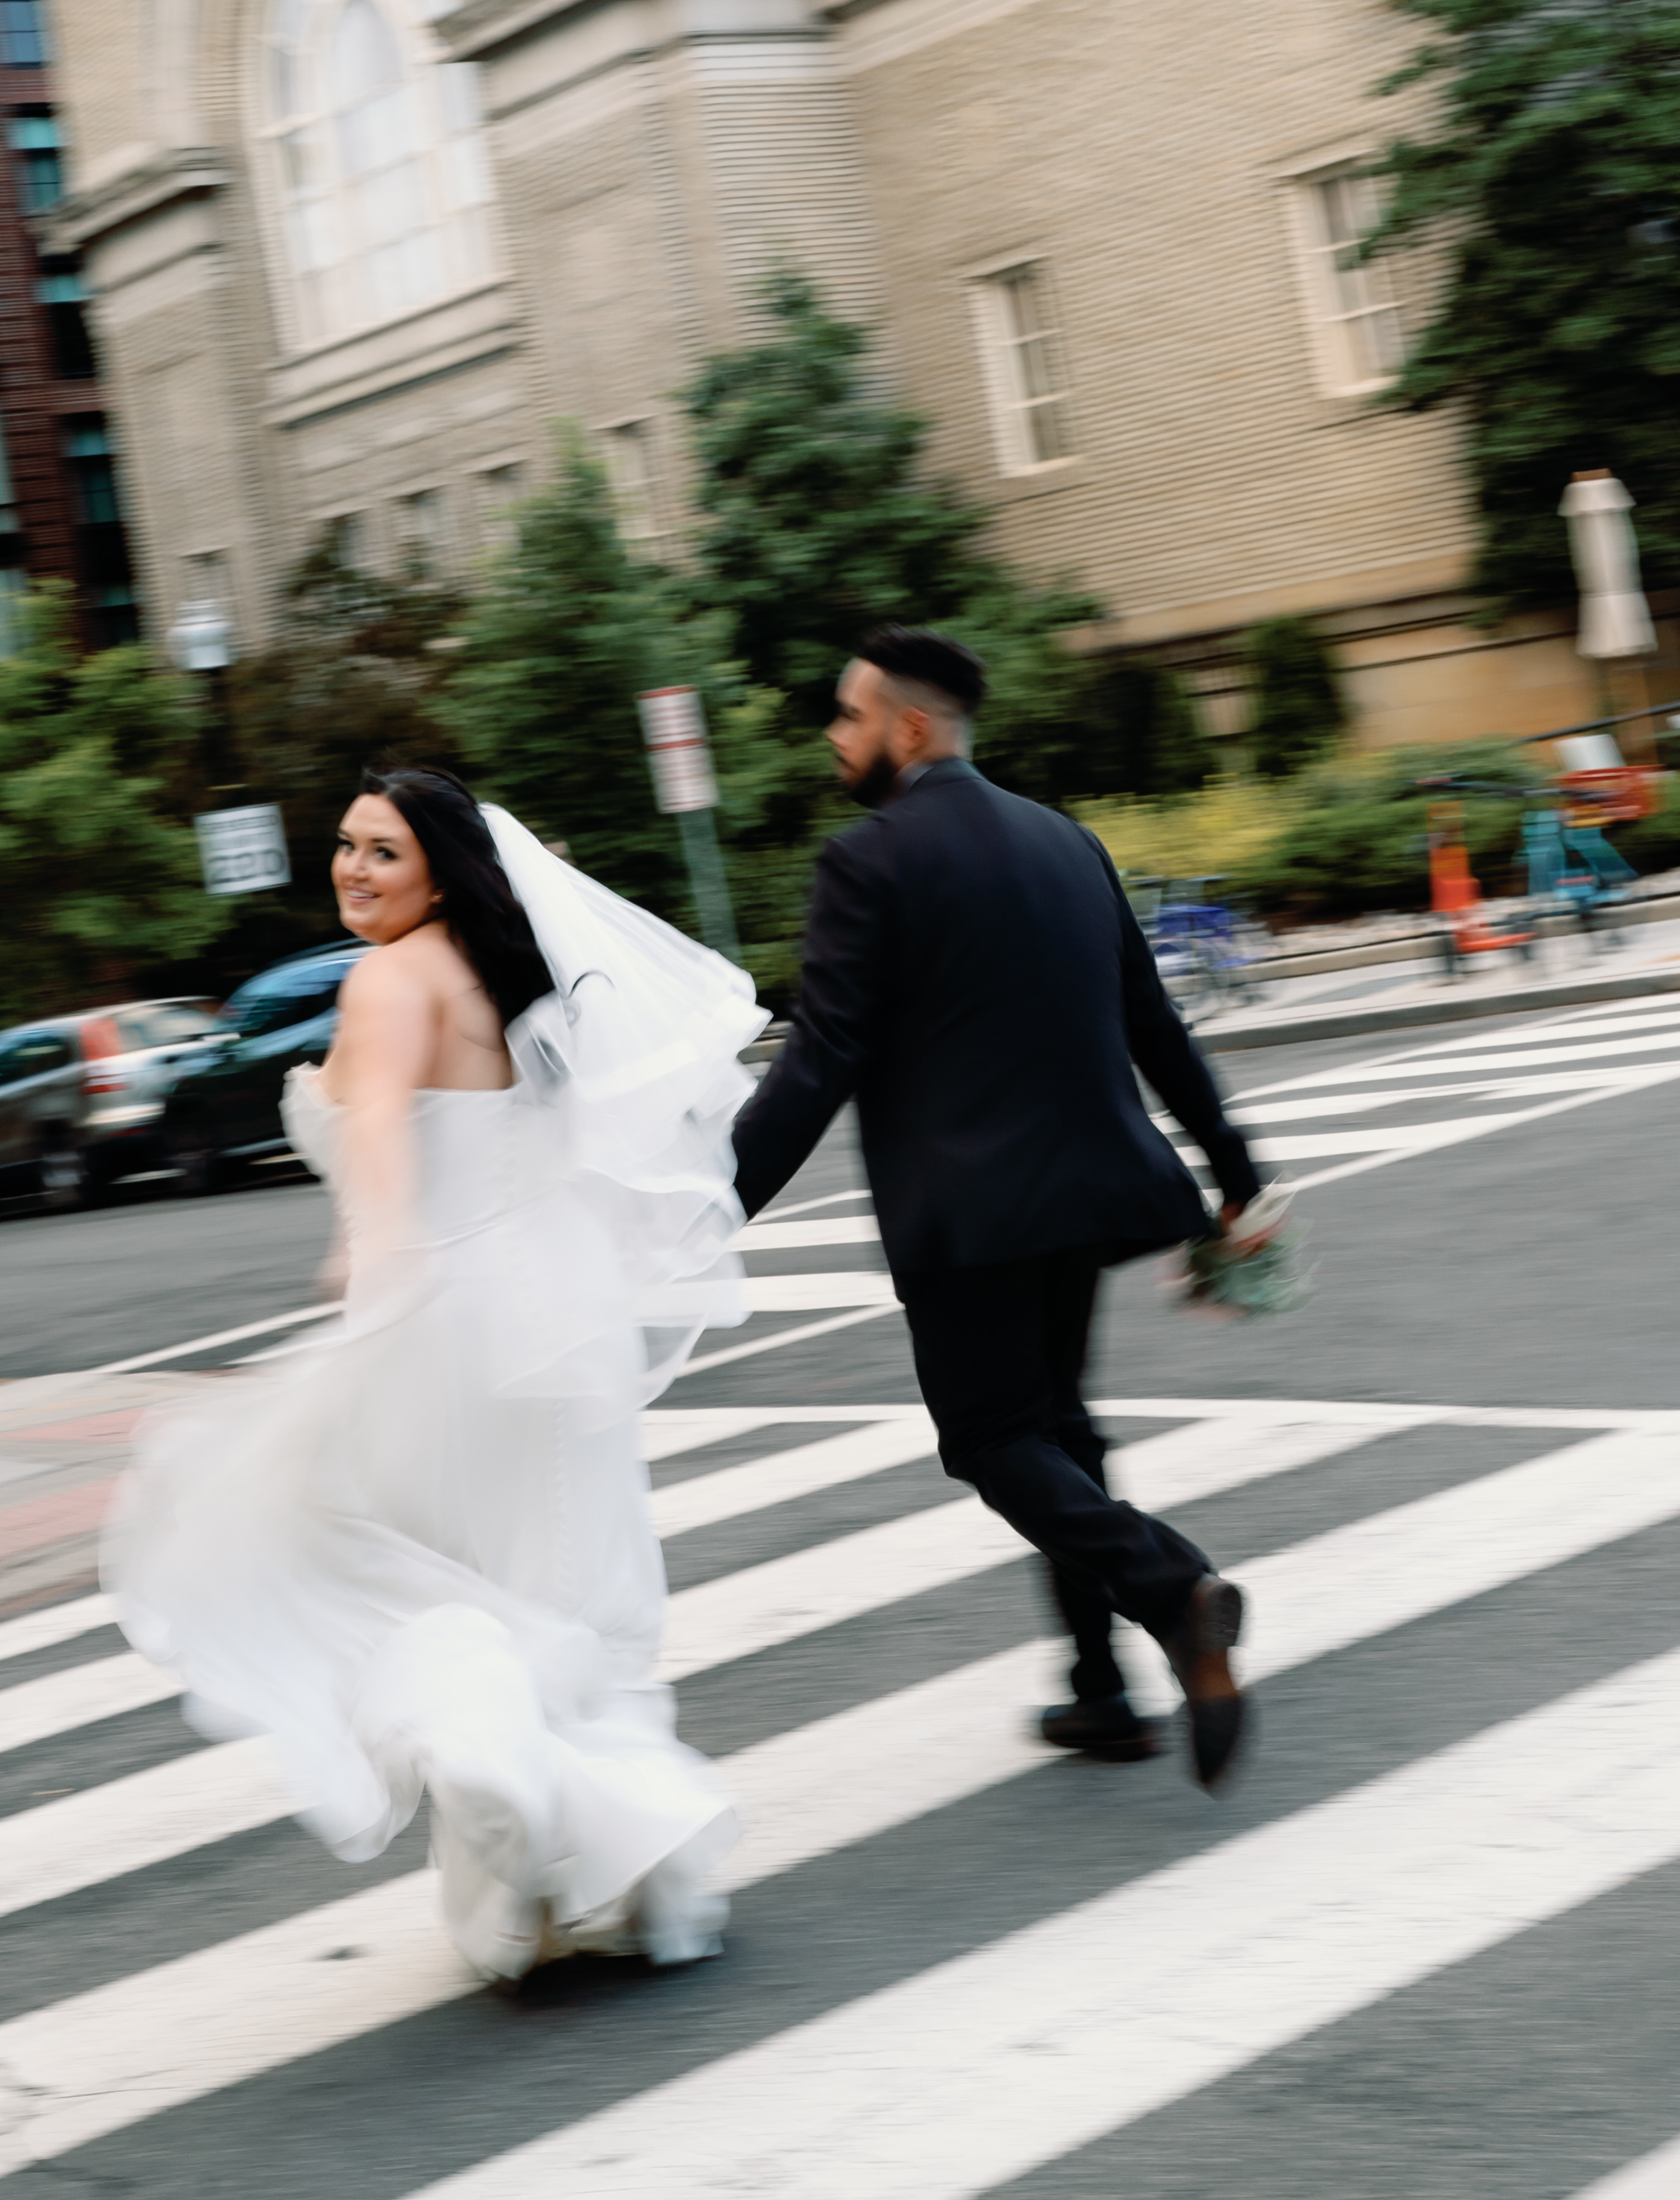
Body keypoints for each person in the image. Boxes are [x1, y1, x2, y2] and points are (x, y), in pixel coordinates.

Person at [105, 765, 760, 1980]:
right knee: (560, 1586)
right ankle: (601, 1877)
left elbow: (380, 1152)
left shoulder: (390, 978)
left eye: (383, 854)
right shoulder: (507, 974)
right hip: (562, 1318)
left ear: (442, 869)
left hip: (451, 1318)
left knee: (375, 1562)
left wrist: (372, 1276)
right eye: (345, 846)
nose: (354, 870)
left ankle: (494, 1758)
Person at [730, 623, 1263, 1789]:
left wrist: (715, 1202)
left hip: (967, 1214)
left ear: (907, 728)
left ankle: (1180, 1593)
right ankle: (1101, 1692)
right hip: (1089, 1190)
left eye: (848, 716)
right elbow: (1152, 1023)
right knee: (1057, 1429)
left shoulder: (867, 862)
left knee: (992, 1437)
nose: (834, 737)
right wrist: (1233, 1162)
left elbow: (819, 1059)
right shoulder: (1065, 841)